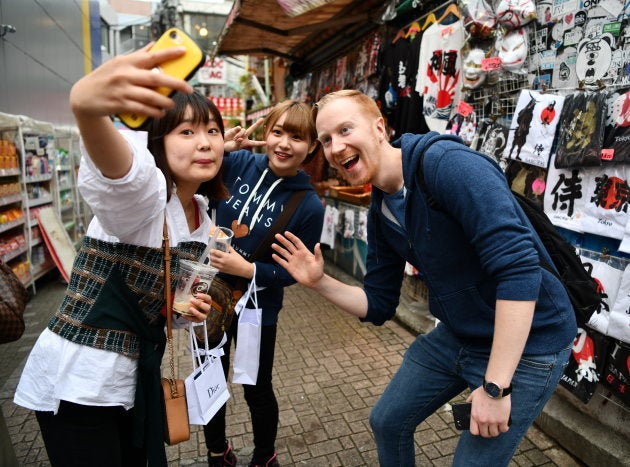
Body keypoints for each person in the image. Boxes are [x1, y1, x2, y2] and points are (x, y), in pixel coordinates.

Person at [271, 89, 577, 466]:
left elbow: (518, 269)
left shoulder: (447, 164)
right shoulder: (381, 207)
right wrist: (319, 282)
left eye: (346, 130)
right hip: (461, 332)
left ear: (379, 127)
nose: (336, 147)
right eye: (327, 140)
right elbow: (379, 304)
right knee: (387, 421)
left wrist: (495, 388)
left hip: (532, 341)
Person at [13, 44, 228, 466]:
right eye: (186, 132)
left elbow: (173, 308)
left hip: (133, 382)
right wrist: (89, 113)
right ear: (158, 143)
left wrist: (187, 311)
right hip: (80, 383)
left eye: (213, 131)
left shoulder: (202, 217)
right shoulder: (147, 195)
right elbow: (121, 177)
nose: (205, 143)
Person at [199, 100, 325, 467]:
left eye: (297, 137)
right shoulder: (236, 164)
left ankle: (264, 456)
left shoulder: (309, 205)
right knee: (211, 378)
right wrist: (223, 146)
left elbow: (294, 273)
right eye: (278, 132)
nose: (285, 144)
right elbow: (189, 167)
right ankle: (217, 452)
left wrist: (248, 269)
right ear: (266, 134)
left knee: (257, 388)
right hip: (209, 297)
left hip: (258, 311)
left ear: (312, 146)